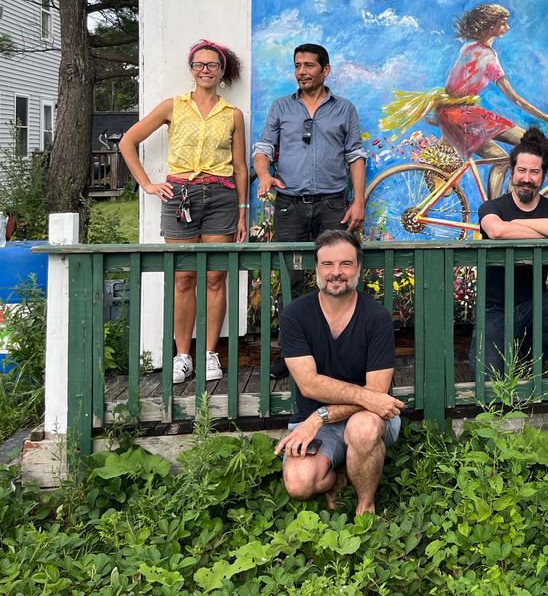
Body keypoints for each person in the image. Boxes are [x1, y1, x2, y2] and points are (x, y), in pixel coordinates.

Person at [119, 39, 248, 383]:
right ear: (192, 70)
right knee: (182, 277)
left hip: (221, 196)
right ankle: (182, 356)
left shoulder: (232, 114)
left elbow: (239, 167)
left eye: (212, 65)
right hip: (180, 198)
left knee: (215, 277)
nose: (205, 70)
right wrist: (147, 184)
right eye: (199, 65)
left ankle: (209, 354)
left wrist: (243, 212)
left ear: (222, 71)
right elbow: (127, 142)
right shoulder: (172, 107)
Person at [381, 3, 548, 195]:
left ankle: (502, 205)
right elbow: (515, 98)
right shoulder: (488, 57)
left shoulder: (468, 48)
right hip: (464, 115)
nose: (507, 27)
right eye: (503, 23)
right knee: (516, 152)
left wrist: (445, 131)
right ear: (491, 26)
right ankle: (496, 212)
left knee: (510, 153)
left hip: (455, 113)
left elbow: (453, 89)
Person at [275, 230, 405, 515]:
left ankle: (365, 506)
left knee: (364, 429)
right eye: (328, 264)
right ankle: (341, 474)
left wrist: (321, 415)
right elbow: (309, 385)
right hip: (317, 419)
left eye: (345, 264)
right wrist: (323, 416)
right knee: (299, 483)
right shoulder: (295, 315)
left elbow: (378, 394)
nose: (337, 272)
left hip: (369, 417)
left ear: (358, 268)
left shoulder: (376, 317)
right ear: (317, 268)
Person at [253, 43, 368, 301]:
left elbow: (355, 155)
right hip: (289, 205)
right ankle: (292, 342)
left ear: (325, 70)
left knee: (336, 277)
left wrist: (358, 202)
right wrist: (263, 175)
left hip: (332, 205)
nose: (301, 71)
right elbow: (264, 149)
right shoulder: (281, 107)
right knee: (288, 278)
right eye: (297, 66)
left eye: (308, 65)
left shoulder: (344, 109)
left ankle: (334, 339)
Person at [476, 126, 548, 378]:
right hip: (496, 307)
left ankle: (525, 354)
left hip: (535, 301)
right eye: (522, 170)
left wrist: (515, 225)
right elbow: (496, 231)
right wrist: (540, 231)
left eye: (534, 172)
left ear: (543, 176)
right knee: (487, 377)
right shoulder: (491, 206)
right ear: (512, 172)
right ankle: (506, 353)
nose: (527, 178)